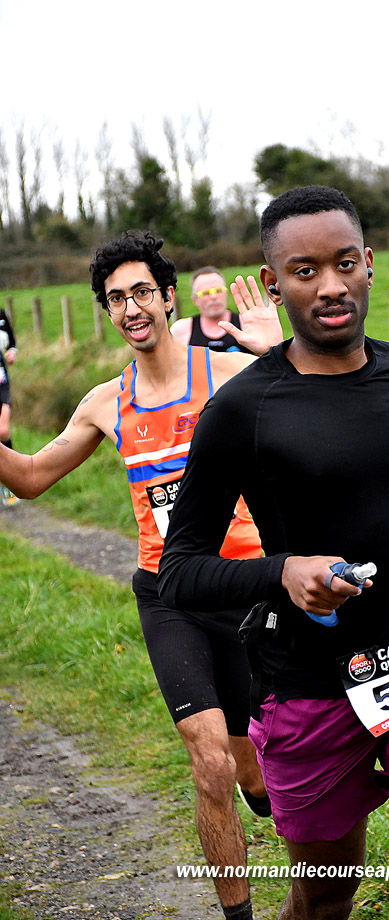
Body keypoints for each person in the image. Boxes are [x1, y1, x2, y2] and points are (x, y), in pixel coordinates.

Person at [158, 186, 389, 920]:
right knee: (324, 900)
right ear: (273, 284)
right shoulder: (241, 410)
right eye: (305, 271)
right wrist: (282, 573)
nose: (330, 286)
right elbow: (180, 571)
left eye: (344, 263)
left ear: (369, 264)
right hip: (305, 687)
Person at [0, 230, 284, 920]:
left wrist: (277, 352)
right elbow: (31, 477)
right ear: (107, 311)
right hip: (168, 594)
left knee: (252, 763)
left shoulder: (231, 375)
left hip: (245, 586)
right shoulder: (106, 403)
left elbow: (322, 408)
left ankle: (268, 798)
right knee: (209, 761)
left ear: (168, 298)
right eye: (116, 298)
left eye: (141, 293)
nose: (131, 308)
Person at [171, 265, 251, 353]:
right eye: (206, 293)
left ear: (226, 293)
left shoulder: (246, 324)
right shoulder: (181, 331)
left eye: (218, 290)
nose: (213, 296)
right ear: (195, 300)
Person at [0, 307, 20, 507]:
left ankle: (10, 483)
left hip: (1, 381)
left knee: (3, 431)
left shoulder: (1, 314)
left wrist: (11, 353)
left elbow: (12, 343)